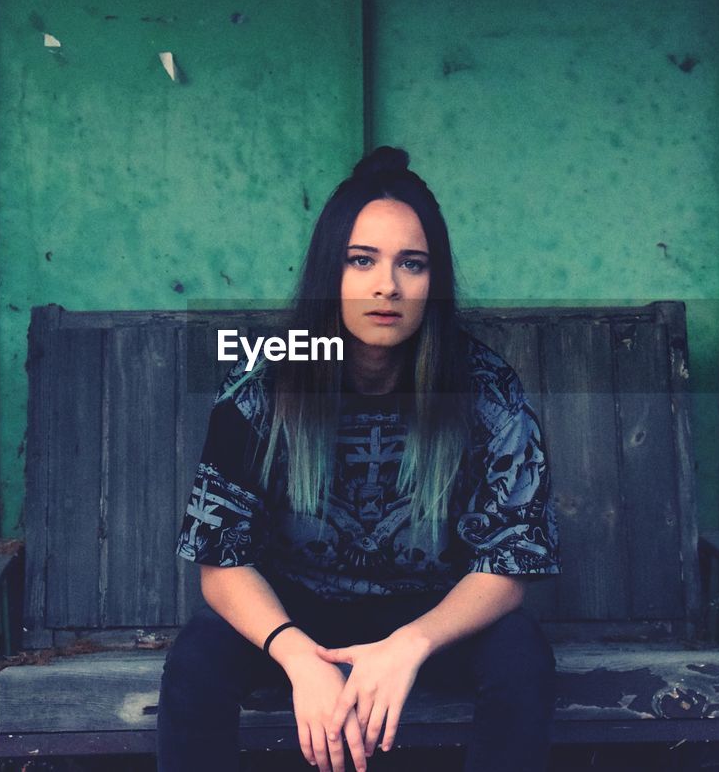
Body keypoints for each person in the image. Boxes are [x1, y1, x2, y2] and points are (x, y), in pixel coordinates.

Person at [157, 146, 560, 772]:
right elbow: (219, 559)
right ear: (329, 274)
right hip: (296, 610)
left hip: (431, 612)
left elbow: (513, 560)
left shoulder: (482, 384)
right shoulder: (264, 378)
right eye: (361, 260)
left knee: (521, 655)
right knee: (197, 659)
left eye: (413, 264)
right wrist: (297, 657)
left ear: (435, 282)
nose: (387, 286)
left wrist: (410, 644)